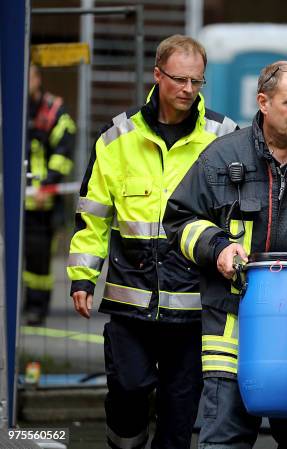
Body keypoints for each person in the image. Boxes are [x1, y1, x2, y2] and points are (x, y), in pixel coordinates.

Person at [163, 60, 287, 449]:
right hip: (233, 333)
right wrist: (218, 248)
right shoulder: (221, 160)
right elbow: (180, 220)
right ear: (263, 102)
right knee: (224, 442)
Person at [66, 35, 238, 449]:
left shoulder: (225, 135)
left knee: (180, 419)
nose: (188, 90)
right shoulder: (116, 138)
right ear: (157, 75)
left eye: (197, 82)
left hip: (196, 306)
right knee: (127, 395)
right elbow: (94, 215)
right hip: (131, 302)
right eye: (179, 79)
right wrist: (82, 278)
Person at [24, 64, 76, 326]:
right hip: (19, 202)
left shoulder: (53, 111)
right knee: (22, 256)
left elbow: (63, 152)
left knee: (40, 257)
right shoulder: (15, 110)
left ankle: (37, 308)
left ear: (38, 79)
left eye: (30, 75)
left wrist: (47, 185)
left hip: (45, 201)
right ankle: (26, 304)